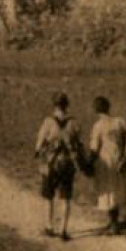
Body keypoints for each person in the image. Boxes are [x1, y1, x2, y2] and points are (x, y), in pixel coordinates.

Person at [34, 91, 84, 240]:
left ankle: (49, 226)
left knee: (49, 195)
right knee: (66, 197)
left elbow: (40, 142)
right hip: (68, 162)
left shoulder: (48, 121)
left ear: (54, 105)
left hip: (51, 163)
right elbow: (78, 143)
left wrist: (38, 152)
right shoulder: (74, 122)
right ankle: (63, 230)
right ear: (67, 105)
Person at [88, 95, 126, 235]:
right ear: (108, 107)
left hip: (106, 162)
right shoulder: (119, 122)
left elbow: (94, 148)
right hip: (119, 159)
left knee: (109, 191)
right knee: (118, 189)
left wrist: (89, 162)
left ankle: (114, 225)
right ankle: (115, 221)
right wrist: (125, 157)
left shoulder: (98, 126)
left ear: (96, 110)